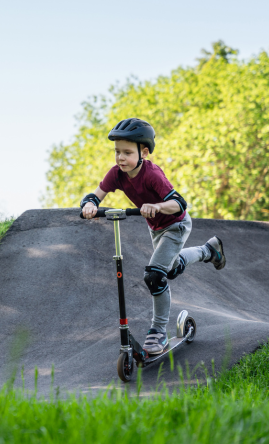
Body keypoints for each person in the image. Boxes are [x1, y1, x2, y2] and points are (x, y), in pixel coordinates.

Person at [80, 118, 226, 355]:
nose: (120, 158)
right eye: (117, 152)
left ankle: (158, 332)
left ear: (144, 152)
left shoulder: (152, 174)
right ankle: (209, 251)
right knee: (172, 268)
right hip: (156, 228)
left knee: (155, 276)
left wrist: (157, 206)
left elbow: (179, 203)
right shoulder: (116, 174)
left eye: (127, 152)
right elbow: (96, 195)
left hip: (175, 225)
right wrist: (89, 204)